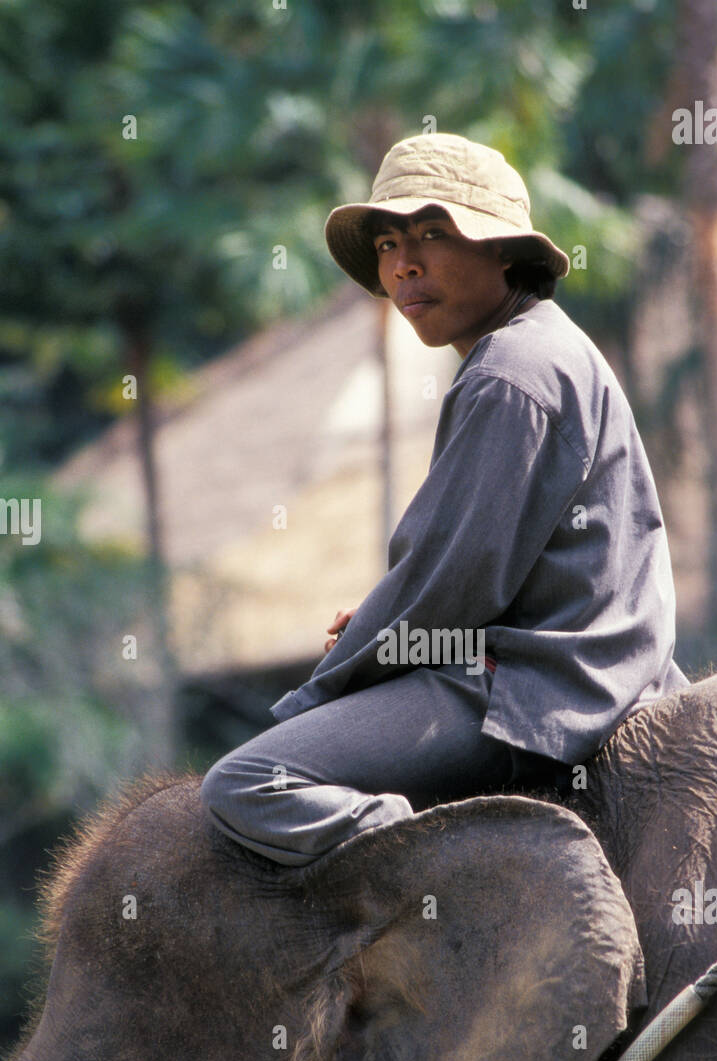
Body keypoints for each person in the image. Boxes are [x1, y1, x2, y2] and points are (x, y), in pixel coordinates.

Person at [200, 132, 689, 867]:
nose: (404, 265)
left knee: (248, 780)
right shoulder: (539, 349)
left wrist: (323, 689)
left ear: (503, 252)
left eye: (432, 233)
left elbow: (449, 584)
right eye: (389, 243)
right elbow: (470, 573)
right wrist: (376, 622)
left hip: (538, 686)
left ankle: (448, 874)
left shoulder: (509, 372)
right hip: (584, 662)